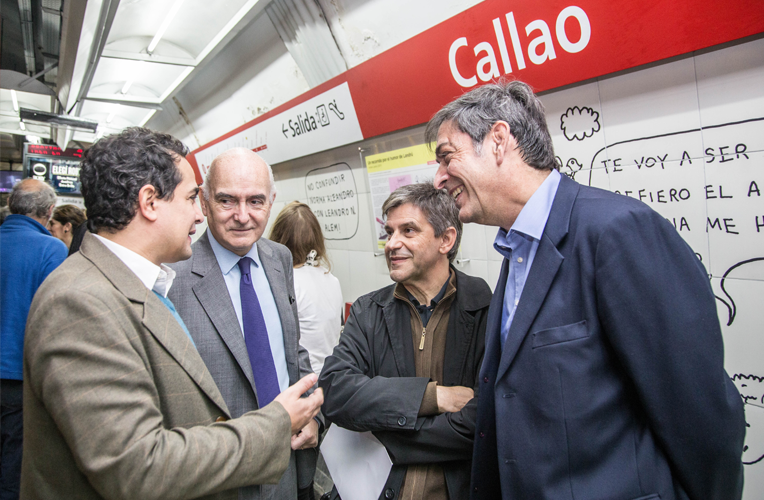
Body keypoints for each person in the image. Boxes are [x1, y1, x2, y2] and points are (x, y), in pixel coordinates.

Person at [428, 81, 746, 500]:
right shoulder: (516, 249)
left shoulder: (617, 231)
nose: (438, 179)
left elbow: (700, 415)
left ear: (499, 140)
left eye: (448, 157)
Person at [21, 128, 323, 500]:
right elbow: (137, 467)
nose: (199, 214)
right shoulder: (79, 301)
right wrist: (277, 424)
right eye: (193, 197)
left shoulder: (140, 283)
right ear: (150, 202)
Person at [319, 182, 492, 500]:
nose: (391, 244)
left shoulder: (486, 309)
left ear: (446, 239)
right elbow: (334, 391)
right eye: (389, 232)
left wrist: (383, 428)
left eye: (408, 231)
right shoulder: (369, 311)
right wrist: (432, 398)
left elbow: (482, 424)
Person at [168, 148, 322, 500]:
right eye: (226, 201)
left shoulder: (278, 258)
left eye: (255, 201)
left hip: (287, 462)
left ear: (271, 202)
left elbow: (290, 350)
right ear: (204, 203)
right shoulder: (173, 277)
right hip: (216, 478)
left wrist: (313, 415)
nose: (242, 216)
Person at [0, 179, 67, 500]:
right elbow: (56, 319)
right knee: (14, 462)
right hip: (20, 377)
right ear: (48, 211)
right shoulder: (51, 249)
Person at [269, 201, 343, 375]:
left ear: (278, 240)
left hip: (302, 380)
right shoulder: (331, 278)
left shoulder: (286, 283)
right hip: (331, 377)